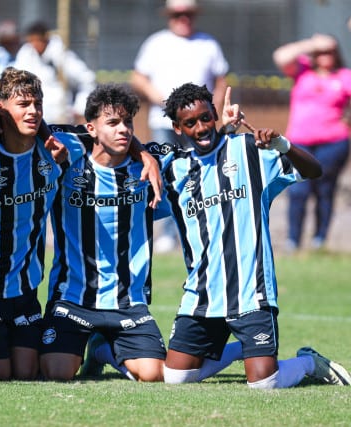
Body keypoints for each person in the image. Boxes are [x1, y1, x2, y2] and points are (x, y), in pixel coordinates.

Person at [155, 82, 350, 389]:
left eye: (206, 118)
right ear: (178, 128)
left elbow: (314, 171)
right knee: (176, 378)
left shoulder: (248, 150)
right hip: (203, 294)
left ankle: (309, 362)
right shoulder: (173, 171)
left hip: (252, 292)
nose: (201, 127)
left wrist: (283, 145)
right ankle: (239, 352)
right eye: (190, 123)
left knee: (264, 384)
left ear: (215, 114)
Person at [39, 84, 169, 382]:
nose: (123, 130)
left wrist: (146, 156)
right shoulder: (67, 153)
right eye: (112, 123)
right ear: (91, 128)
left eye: (128, 123)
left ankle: (101, 350)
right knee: (57, 373)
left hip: (128, 301)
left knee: (154, 375)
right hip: (73, 298)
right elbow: (35, 128)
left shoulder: (147, 167)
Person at [130, 0, 229, 253]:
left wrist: (213, 112)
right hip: (164, 122)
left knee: (204, 172)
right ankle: (168, 231)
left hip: (200, 125)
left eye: (187, 14)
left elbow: (220, 80)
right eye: (178, 14)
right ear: (170, 16)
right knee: (165, 174)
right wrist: (166, 103)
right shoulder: (156, 43)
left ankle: (204, 223)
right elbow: (138, 77)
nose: (183, 18)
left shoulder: (208, 43)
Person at [272, 33, 351, 252]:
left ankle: (319, 239)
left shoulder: (344, 77)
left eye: (330, 51)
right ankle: (293, 240)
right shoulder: (302, 71)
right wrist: (311, 43)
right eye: (322, 52)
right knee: (298, 190)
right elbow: (280, 56)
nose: (326, 56)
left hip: (333, 143)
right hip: (299, 144)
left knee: (324, 190)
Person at [13, 21, 96, 124]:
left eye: (38, 41)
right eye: (32, 41)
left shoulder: (61, 55)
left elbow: (87, 79)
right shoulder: (26, 54)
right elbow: (14, 81)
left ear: (45, 38)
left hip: (60, 120)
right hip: (33, 119)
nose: (35, 45)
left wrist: (80, 108)